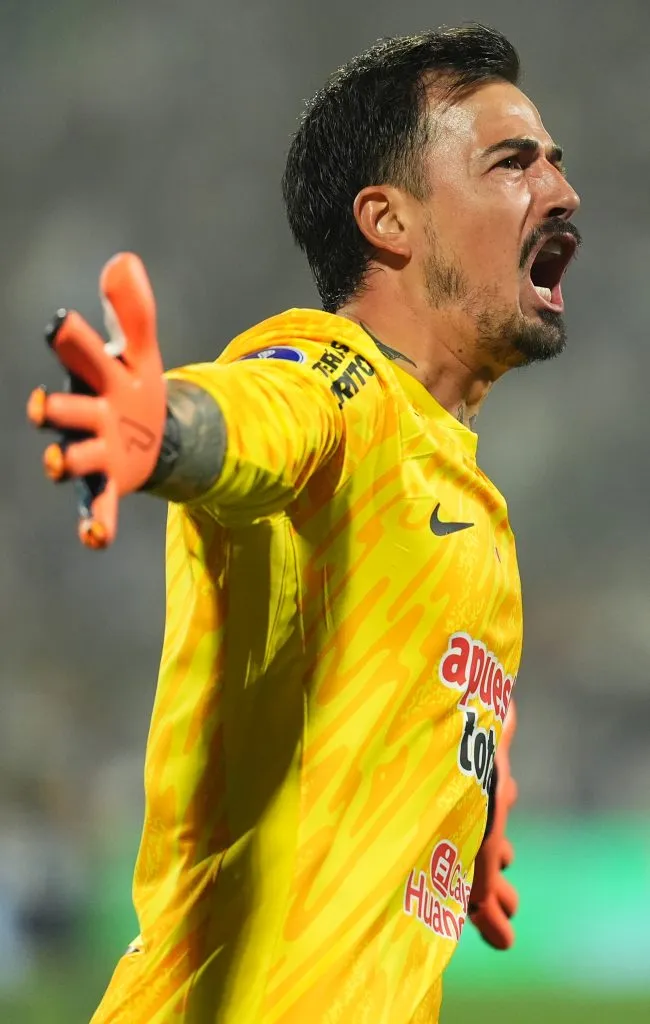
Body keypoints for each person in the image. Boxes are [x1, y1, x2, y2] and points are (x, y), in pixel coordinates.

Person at [27, 23, 580, 1024]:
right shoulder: (338, 382)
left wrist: (465, 796)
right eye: (510, 161)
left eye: (552, 160)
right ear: (389, 221)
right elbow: (257, 416)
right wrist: (166, 433)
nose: (558, 188)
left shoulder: (472, 514)